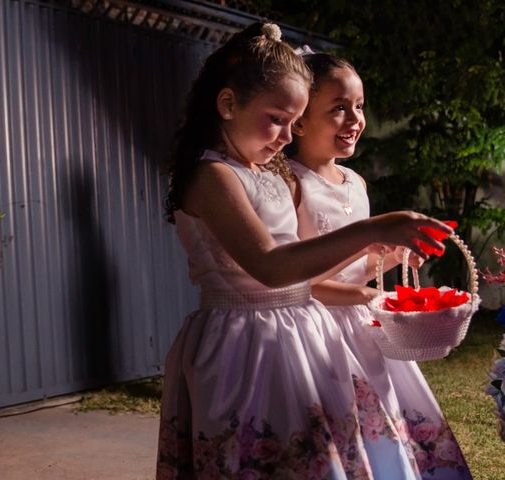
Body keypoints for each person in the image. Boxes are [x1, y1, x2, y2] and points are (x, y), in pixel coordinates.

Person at [156, 22, 456, 479]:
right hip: (245, 343)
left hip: (298, 332)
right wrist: (371, 229)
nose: (285, 135)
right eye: (277, 119)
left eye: (293, 123)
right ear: (227, 104)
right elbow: (271, 268)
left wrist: (379, 246)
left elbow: (302, 265)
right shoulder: (212, 177)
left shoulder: (264, 170)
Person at [287, 50, 472, 479]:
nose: (354, 119)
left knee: (386, 418)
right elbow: (299, 280)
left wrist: (391, 257)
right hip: (319, 332)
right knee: (341, 427)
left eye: (359, 106)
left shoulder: (355, 183)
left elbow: (356, 265)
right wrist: (369, 294)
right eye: (338, 109)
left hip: (365, 329)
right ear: (299, 121)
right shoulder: (292, 184)